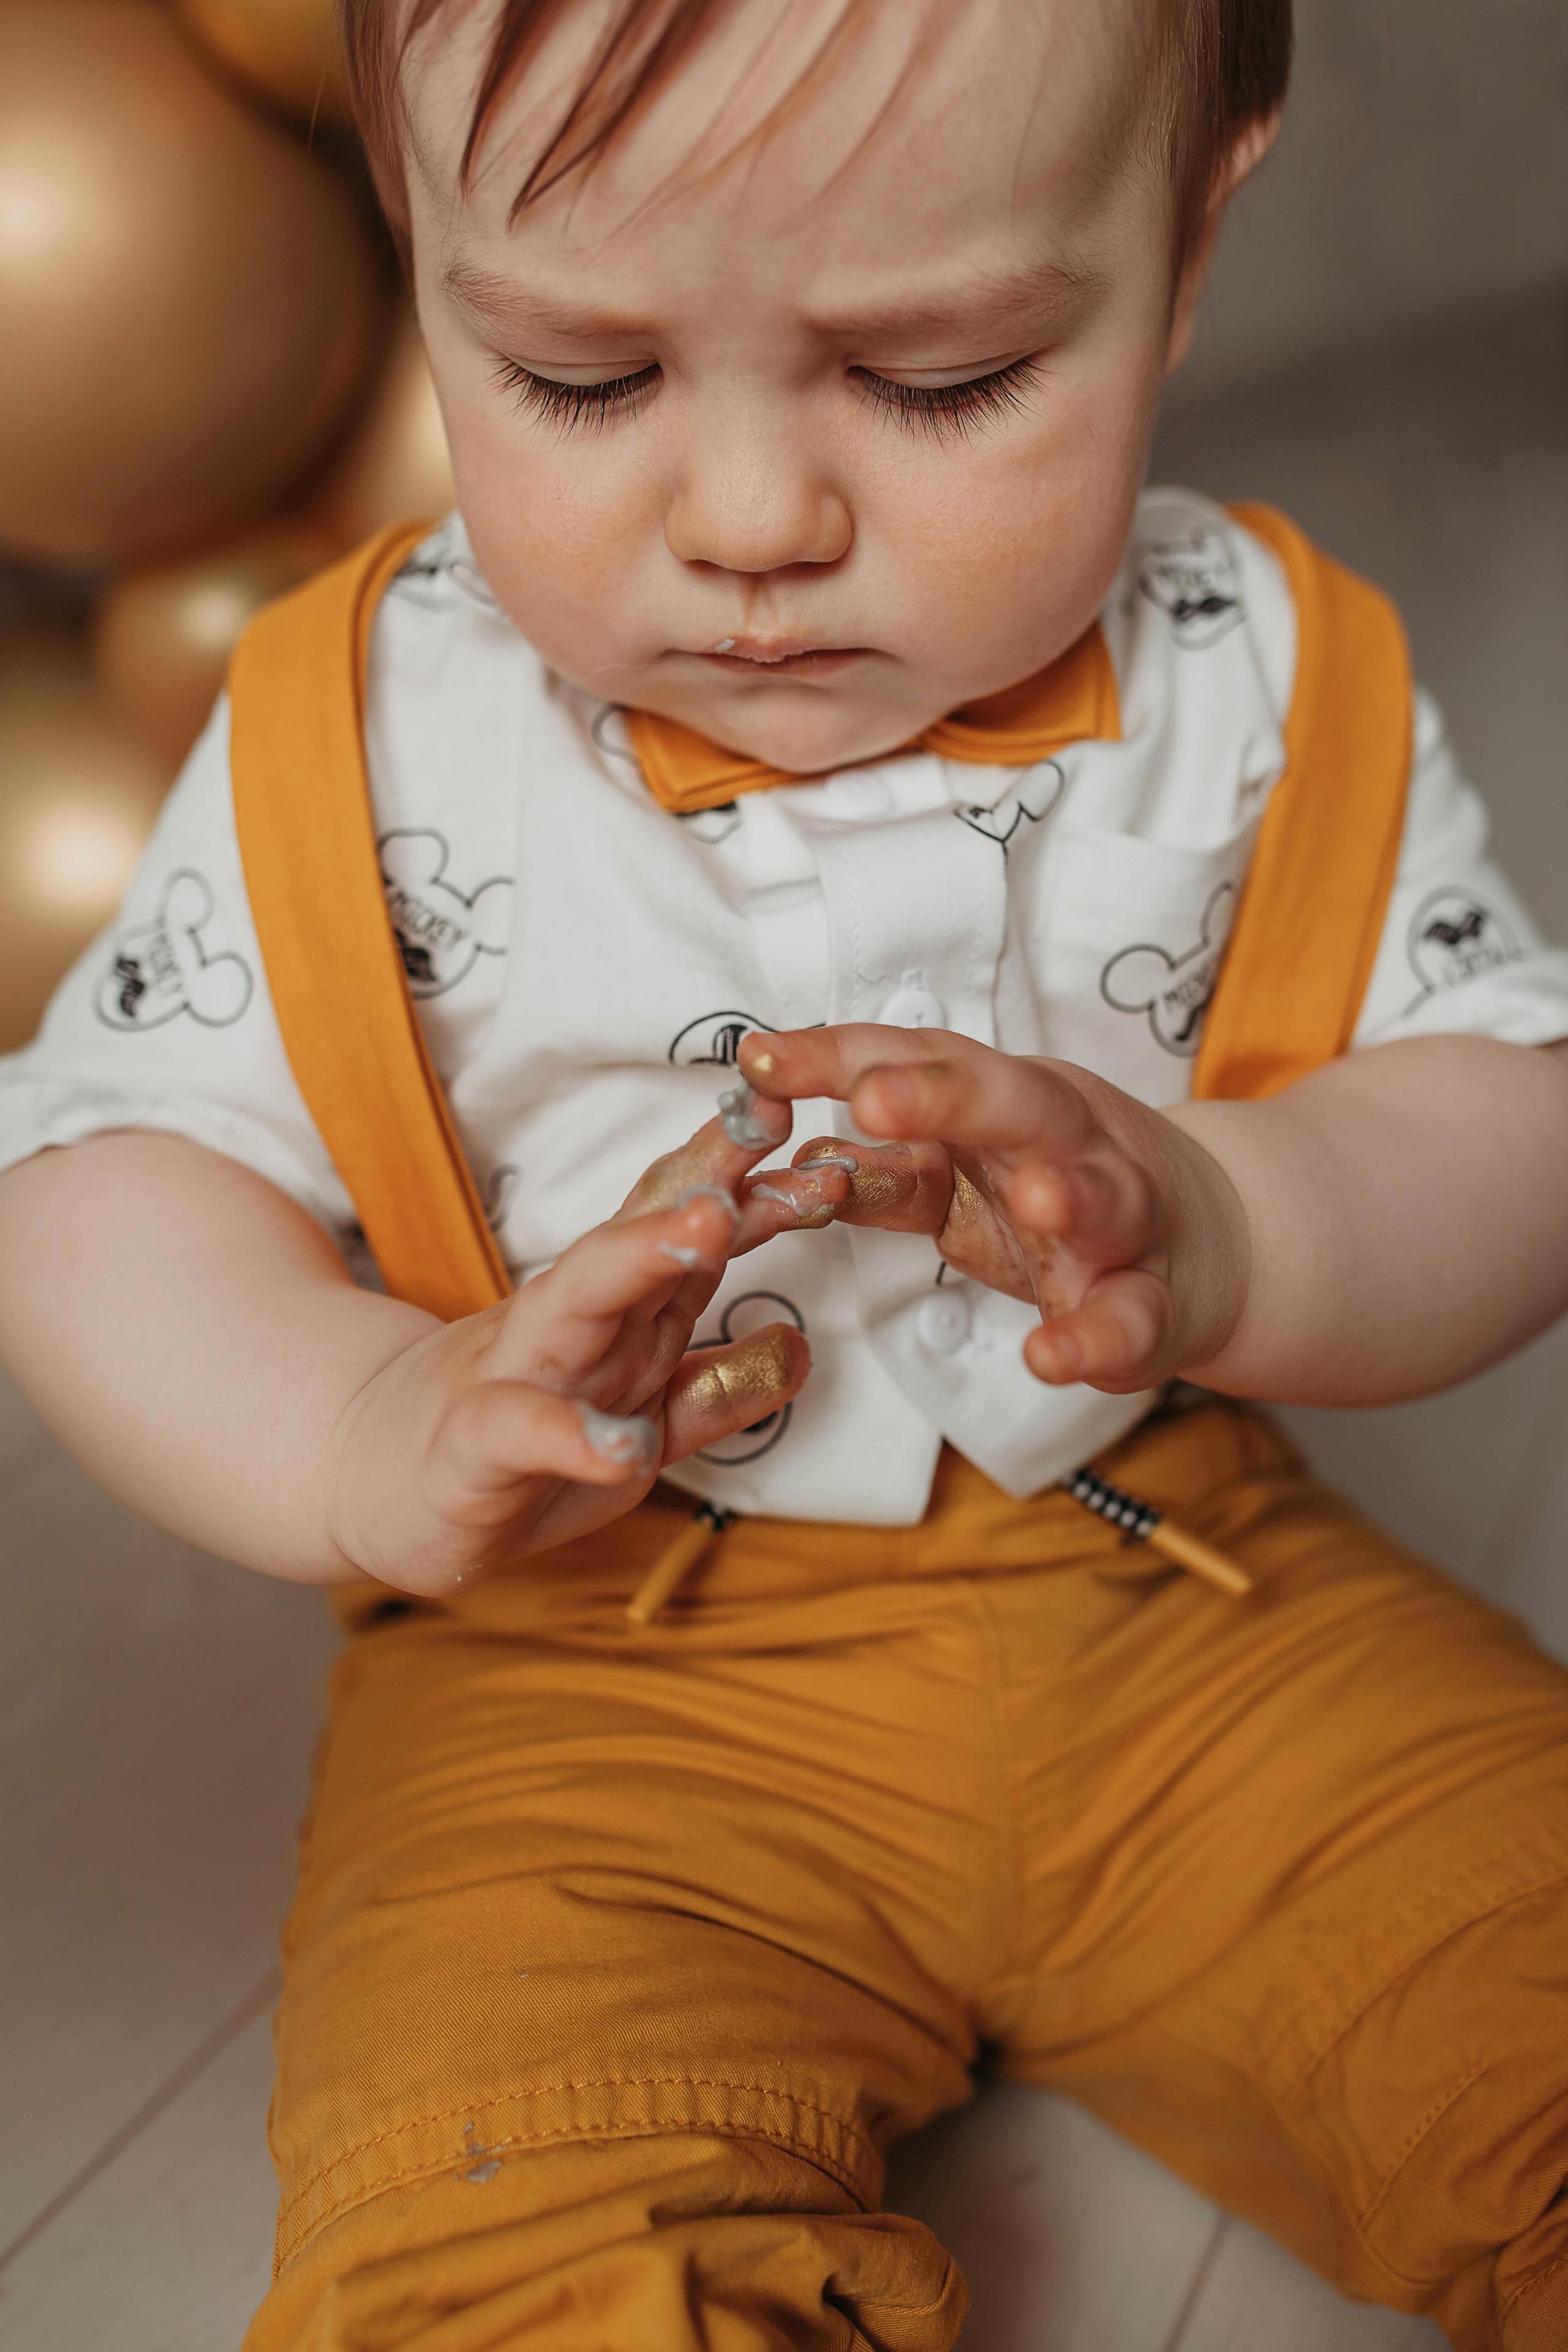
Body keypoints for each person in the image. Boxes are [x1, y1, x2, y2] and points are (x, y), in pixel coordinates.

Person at [3, 0, 1568, 2343]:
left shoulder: (1257, 663)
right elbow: (106, 1175)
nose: (750, 526)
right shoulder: (355, 723)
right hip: (583, 1695)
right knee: (505, 2222)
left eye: (938, 379)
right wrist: (357, 1424)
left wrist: (1233, 1219)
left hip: (1189, 1598)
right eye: (580, 379)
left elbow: (1503, 1113)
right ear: (418, 244)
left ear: (1191, 232)